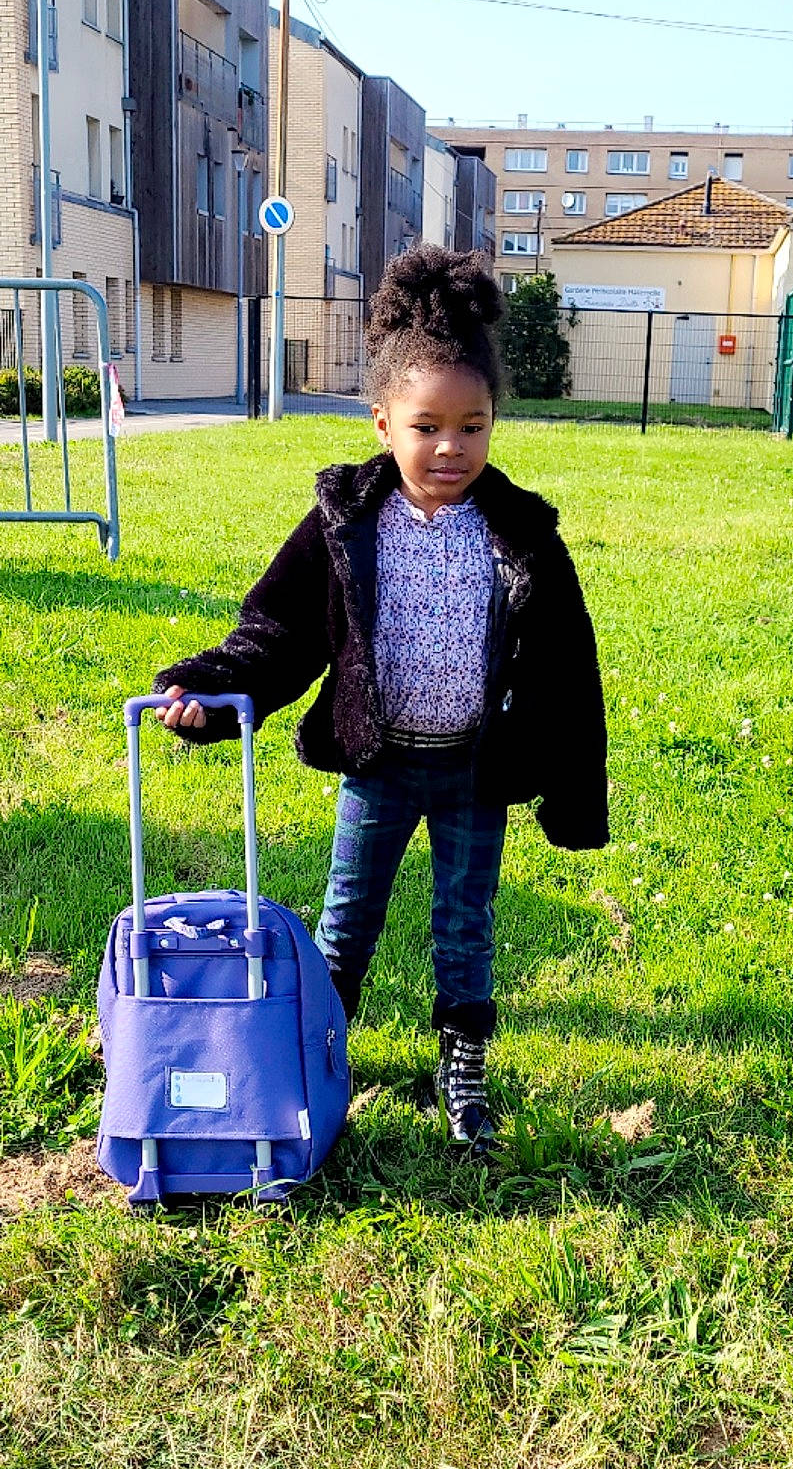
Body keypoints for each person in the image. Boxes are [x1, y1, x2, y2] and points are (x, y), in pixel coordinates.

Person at [153, 245, 608, 1153]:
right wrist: (206, 686)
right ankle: (320, 1055)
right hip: (378, 764)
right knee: (345, 921)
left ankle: (462, 1070)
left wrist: (571, 788)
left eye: (473, 427)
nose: (451, 448)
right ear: (382, 421)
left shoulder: (520, 531)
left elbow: (567, 669)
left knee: (464, 924)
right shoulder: (346, 520)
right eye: (427, 426)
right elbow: (277, 632)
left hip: (476, 770)